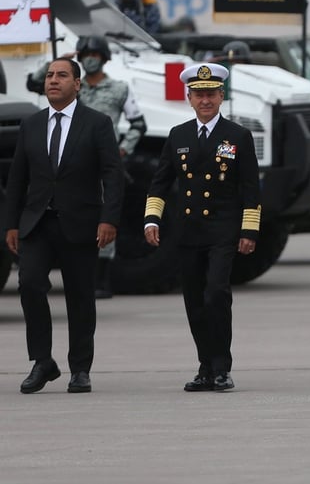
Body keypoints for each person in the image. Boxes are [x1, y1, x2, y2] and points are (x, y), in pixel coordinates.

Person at [4, 58, 124, 394]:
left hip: (81, 222)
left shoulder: (97, 123)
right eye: (49, 76)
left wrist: (109, 218)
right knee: (28, 284)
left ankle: (80, 368)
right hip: (37, 223)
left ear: (77, 84)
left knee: (80, 296)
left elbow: (112, 175)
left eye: (62, 75)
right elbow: (17, 179)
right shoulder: (32, 125)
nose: (53, 80)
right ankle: (42, 361)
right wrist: (11, 224)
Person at [143, 63, 261, 392]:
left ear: (221, 96)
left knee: (216, 294)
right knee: (194, 301)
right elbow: (160, 183)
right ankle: (205, 367)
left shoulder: (237, 135)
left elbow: (251, 188)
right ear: (189, 97)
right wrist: (152, 218)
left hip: (223, 229)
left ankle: (222, 367)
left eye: (211, 94)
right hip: (188, 230)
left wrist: (249, 231)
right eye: (199, 95)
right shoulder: (178, 135)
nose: (205, 100)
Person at [27, 36, 148, 299]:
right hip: (70, 164)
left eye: (95, 53)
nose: (90, 57)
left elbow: (139, 124)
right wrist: (61, 61)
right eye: (86, 53)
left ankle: (102, 280)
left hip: (103, 162)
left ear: (104, 57)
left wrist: (123, 149)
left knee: (106, 217)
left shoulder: (119, 89)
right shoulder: (70, 85)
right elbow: (33, 83)